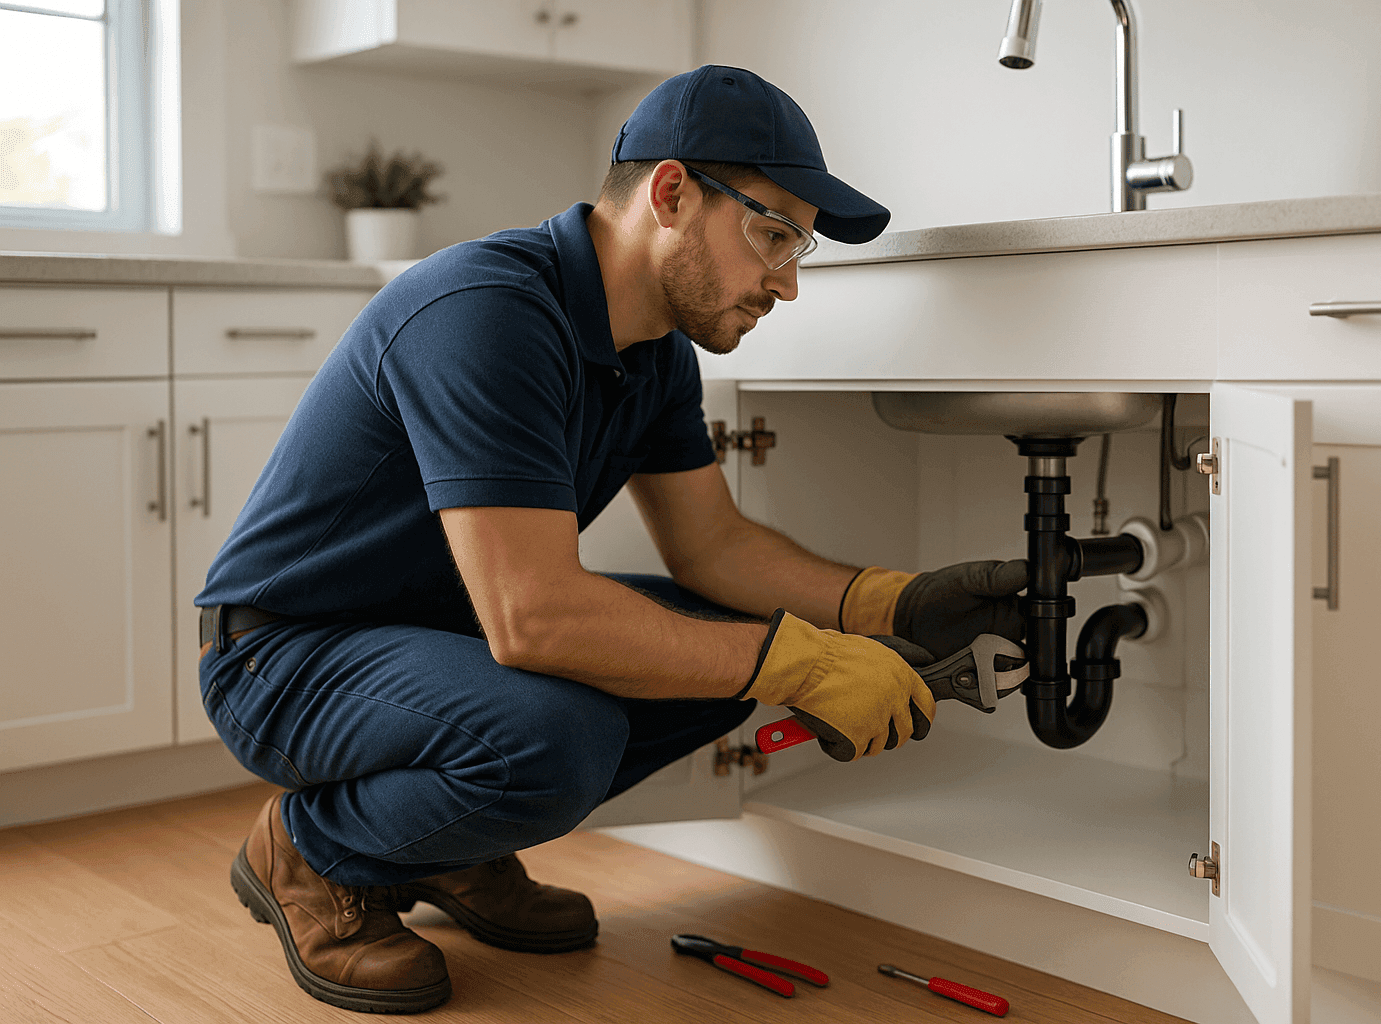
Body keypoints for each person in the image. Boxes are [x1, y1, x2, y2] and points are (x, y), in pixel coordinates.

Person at [196, 65, 1028, 1014]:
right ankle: (313, 852)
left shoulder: (656, 352)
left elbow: (714, 550)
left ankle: (445, 849)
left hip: (438, 642)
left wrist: (890, 603)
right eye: (774, 234)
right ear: (670, 194)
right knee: (565, 730)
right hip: (285, 656)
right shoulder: (488, 313)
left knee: (725, 631)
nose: (788, 284)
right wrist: (799, 662)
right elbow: (533, 619)